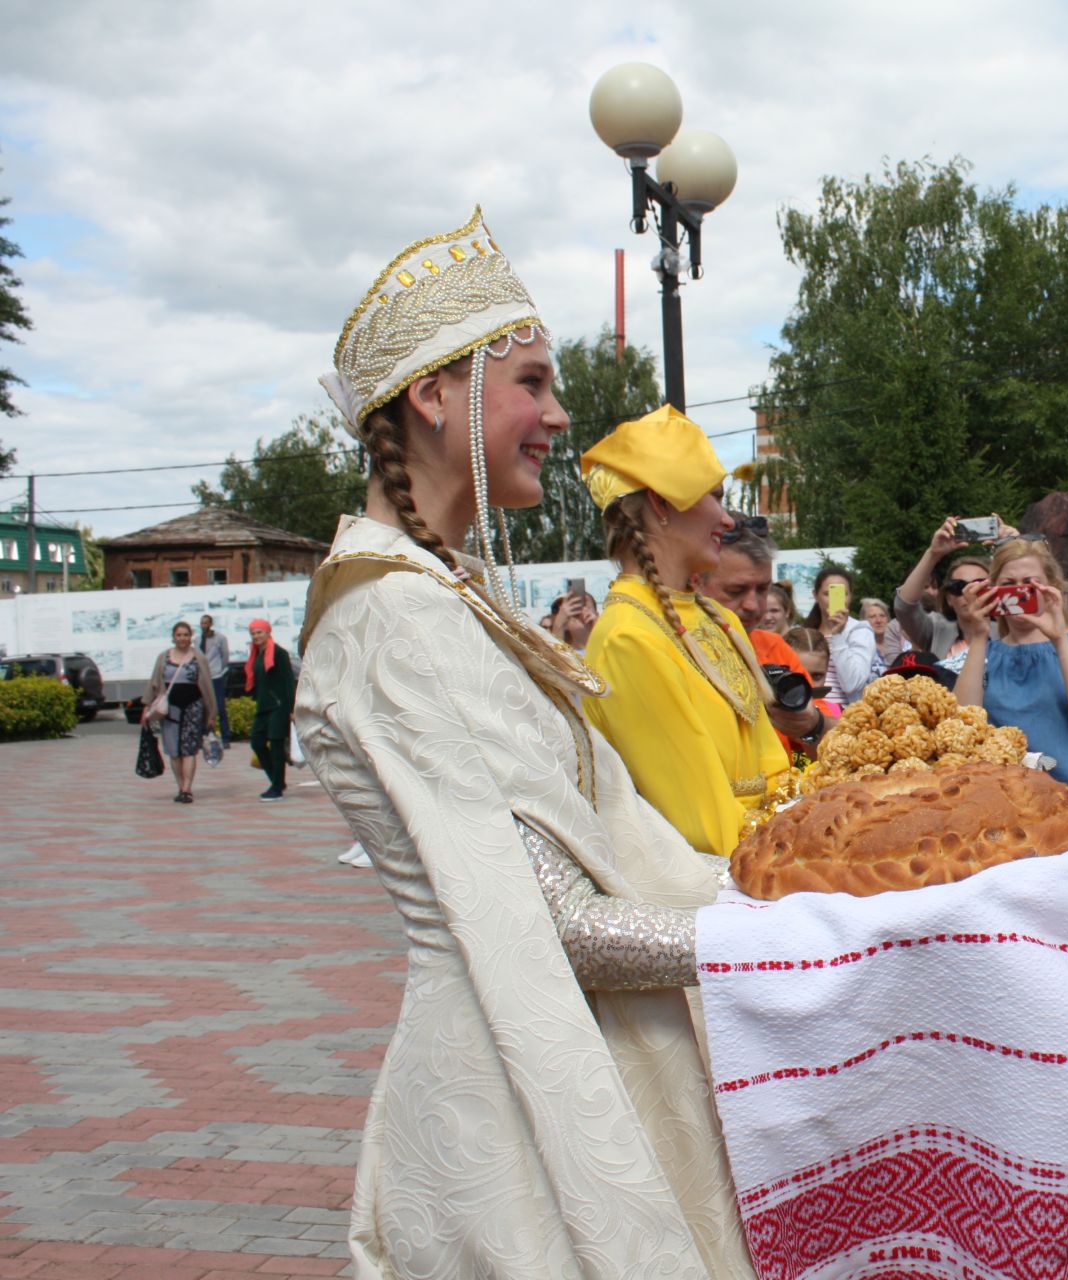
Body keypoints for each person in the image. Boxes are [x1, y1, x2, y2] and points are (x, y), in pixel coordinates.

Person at [296, 209, 751, 1275]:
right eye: (534, 383)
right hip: (510, 1104)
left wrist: (792, 887)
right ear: (433, 392)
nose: (557, 413)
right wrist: (781, 943)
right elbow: (553, 920)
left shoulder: (452, 593)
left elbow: (616, 828)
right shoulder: (391, 616)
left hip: (584, 1049)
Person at [582, 408, 794, 858]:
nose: (728, 519)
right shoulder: (628, 639)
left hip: (771, 848)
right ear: (661, 502)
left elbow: (776, 767)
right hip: (726, 887)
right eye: (714, 497)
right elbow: (706, 831)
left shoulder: (720, 619)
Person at [944, 537, 1068, 800]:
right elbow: (962, 728)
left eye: (1030, 584)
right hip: (1001, 803)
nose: (1019, 593)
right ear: (992, 591)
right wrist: (978, 634)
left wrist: (1059, 639)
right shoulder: (982, 653)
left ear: (1051, 588)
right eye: (1007, 586)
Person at [696, 514, 833, 754]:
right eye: (736, 590)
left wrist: (812, 725)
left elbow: (827, 748)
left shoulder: (775, 648)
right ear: (695, 583)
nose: (753, 605)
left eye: (762, 589)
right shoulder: (669, 649)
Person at [893, 516, 995, 660]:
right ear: (948, 598)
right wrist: (933, 554)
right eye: (959, 587)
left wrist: (1013, 544)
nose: (968, 593)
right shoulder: (936, 630)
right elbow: (904, 607)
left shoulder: (1009, 630)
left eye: (978, 586)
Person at [145, 621, 219, 803]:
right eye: (179, 635)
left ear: (190, 636)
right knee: (173, 751)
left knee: (189, 749)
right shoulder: (164, 657)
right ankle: (180, 786)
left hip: (193, 706)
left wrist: (211, 713)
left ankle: (187, 788)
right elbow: (154, 683)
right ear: (173, 637)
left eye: (186, 635)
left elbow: (208, 686)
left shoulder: (198, 657)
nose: (183, 638)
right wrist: (146, 706)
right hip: (170, 710)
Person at [803, 563, 877, 703]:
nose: (834, 599)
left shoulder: (860, 631)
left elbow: (852, 684)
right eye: (827, 593)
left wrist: (837, 635)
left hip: (846, 716)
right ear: (815, 595)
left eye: (842, 593)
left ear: (850, 596)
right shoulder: (805, 632)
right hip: (809, 712)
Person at [244, 619, 295, 802]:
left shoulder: (279, 653)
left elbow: (289, 680)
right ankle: (276, 779)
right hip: (263, 706)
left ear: (268, 633)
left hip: (279, 706)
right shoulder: (256, 654)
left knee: (276, 745)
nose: (256, 636)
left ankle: (276, 787)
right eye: (253, 633)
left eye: (259, 632)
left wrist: (291, 708)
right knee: (257, 743)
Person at [197, 614, 231, 744]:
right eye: (202, 623)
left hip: (216, 676)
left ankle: (225, 736)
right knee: (202, 707)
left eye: (206, 623)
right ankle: (203, 734)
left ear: (211, 624)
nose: (204, 625)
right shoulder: (197, 639)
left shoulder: (220, 638)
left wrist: (218, 669)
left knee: (220, 707)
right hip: (201, 678)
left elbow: (225, 656)